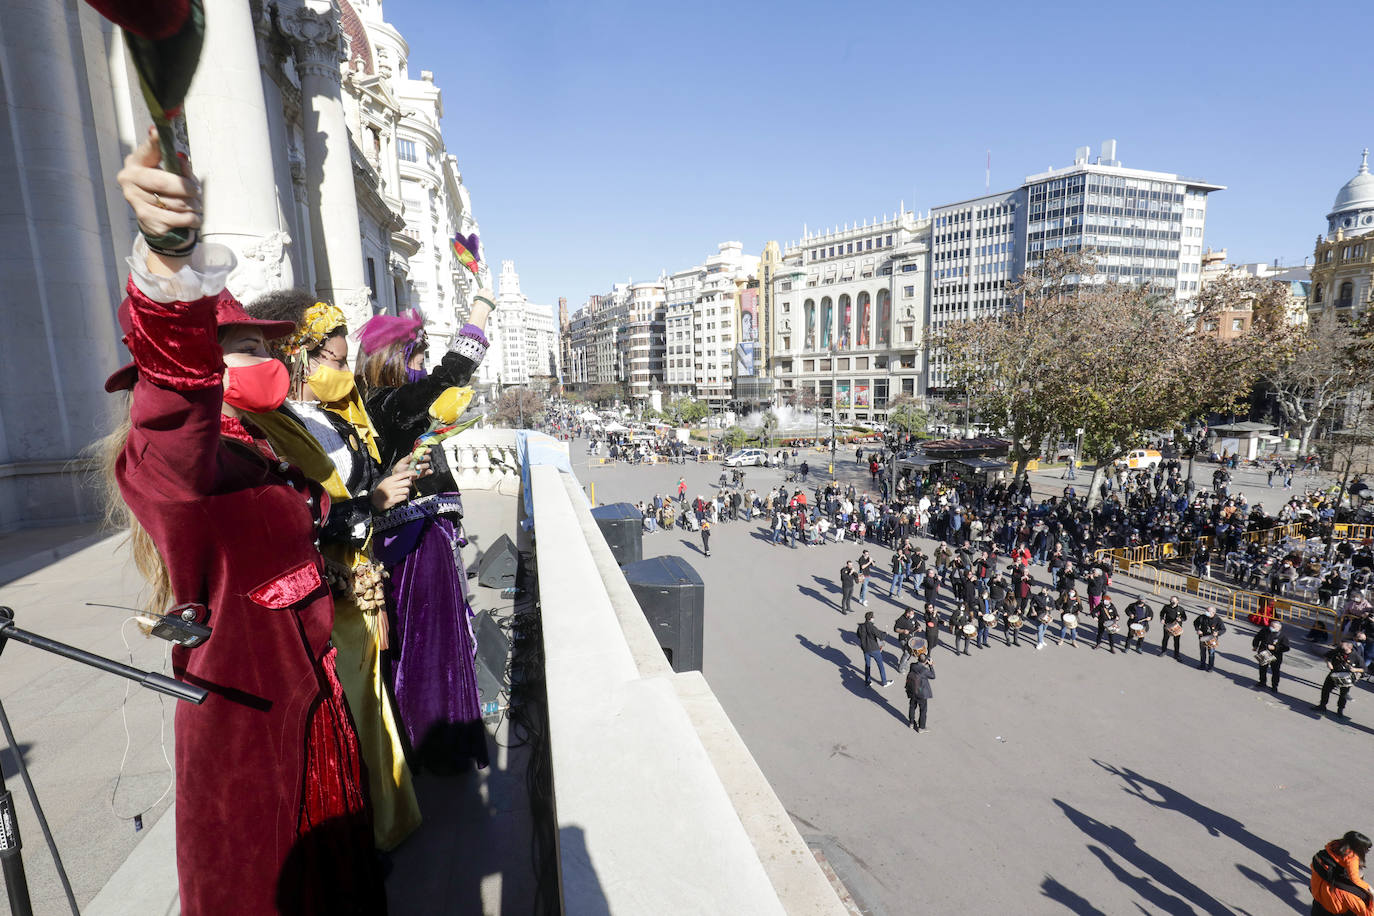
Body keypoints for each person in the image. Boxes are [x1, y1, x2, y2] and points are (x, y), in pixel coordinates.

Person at [104, 129, 384, 913]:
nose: (265, 360)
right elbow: (172, 412)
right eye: (235, 347)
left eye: (262, 346)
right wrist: (168, 266)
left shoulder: (257, 447)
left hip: (307, 702)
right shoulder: (179, 465)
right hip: (249, 729)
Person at [245, 292, 422, 850]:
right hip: (327, 589)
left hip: (358, 576)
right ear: (299, 356)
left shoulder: (328, 417)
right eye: (335, 361)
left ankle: (385, 819)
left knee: (368, 700)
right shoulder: (277, 427)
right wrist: (373, 504)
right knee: (347, 710)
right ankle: (365, 830)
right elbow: (300, 518)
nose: (344, 371)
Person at [356, 287, 495, 774]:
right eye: (418, 354)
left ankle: (423, 740)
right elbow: (450, 378)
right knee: (429, 639)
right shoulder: (394, 402)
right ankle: (437, 744)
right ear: (398, 359)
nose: (424, 363)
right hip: (416, 540)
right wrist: (479, 312)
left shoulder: (374, 400)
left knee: (417, 639)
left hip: (407, 536)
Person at [1309, 830, 1373, 916]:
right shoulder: (1348, 894)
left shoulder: (1333, 847)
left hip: (1318, 901)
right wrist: (1370, 892)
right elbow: (1368, 914)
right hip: (1334, 909)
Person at [1312, 641, 1362, 719]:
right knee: (1325, 689)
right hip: (1334, 674)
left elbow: (1363, 669)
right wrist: (1328, 663)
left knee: (1343, 695)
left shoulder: (1356, 656)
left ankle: (1340, 710)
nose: (1342, 644)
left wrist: (1355, 669)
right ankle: (1322, 706)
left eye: (1345, 644)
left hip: (1346, 677)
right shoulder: (1337, 651)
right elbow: (1327, 657)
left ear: (1350, 647)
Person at [1252, 620, 1291, 692]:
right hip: (1264, 652)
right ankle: (1262, 682)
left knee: (1275, 671)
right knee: (1262, 668)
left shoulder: (1282, 636)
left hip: (1276, 655)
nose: (1271, 627)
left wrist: (1275, 648)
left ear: (1278, 628)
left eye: (1273, 627)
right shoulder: (1264, 630)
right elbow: (1257, 637)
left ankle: (1274, 686)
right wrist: (1255, 645)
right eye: (1271, 626)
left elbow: (1286, 647)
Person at [857, 611, 892, 687]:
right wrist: (885, 633)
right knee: (880, 665)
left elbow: (858, 635)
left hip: (865, 649)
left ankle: (867, 682)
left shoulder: (860, 627)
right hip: (874, 649)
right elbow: (881, 636)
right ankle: (884, 682)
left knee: (867, 665)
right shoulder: (872, 627)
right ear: (871, 618)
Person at [904, 650, 935, 732]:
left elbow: (918, 666)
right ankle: (921, 727)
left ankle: (911, 722)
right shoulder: (924, 670)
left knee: (912, 706)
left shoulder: (912, 665)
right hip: (921, 693)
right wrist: (931, 665)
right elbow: (933, 676)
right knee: (923, 710)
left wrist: (925, 664)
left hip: (912, 690)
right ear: (925, 661)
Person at [1194, 606, 1226, 671]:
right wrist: (1197, 630)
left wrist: (1217, 633)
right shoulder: (1202, 617)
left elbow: (1223, 629)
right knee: (1202, 652)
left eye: (1208, 611)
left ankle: (1210, 667)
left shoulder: (1218, 620)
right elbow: (1195, 623)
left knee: (1211, 653)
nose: (1206, 612)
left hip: (1212, 639)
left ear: (1213, 612)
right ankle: (1202, 665)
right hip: (1203, 637)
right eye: (1206, 610)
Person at [1161, 596, 1188, 660]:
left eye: (1173, 601)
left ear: (1177, 601)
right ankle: (1163, 651)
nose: (1171, 602)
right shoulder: (1166, 607)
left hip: (1177, 627)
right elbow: (1162, 614)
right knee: (1165, 639)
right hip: (1167, 625)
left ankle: (1176, 655)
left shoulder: (1181, 609)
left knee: (1176, 641)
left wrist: (1180, 619)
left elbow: (1185, 618)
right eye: (1171, 600)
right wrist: (1162, 619)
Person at [893, 607, 920, 672]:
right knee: (906, 653)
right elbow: (895, 629)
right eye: (911, 614)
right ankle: (901, 668)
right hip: (904, 639)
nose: (912, 615)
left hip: (911, 638)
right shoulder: (901, 619)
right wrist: (903, 631)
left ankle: (905, 663)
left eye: (913, 613)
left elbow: (916, 623)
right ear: (907, 613)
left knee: (911, 652)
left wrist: (919, 627)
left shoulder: (912, 617)